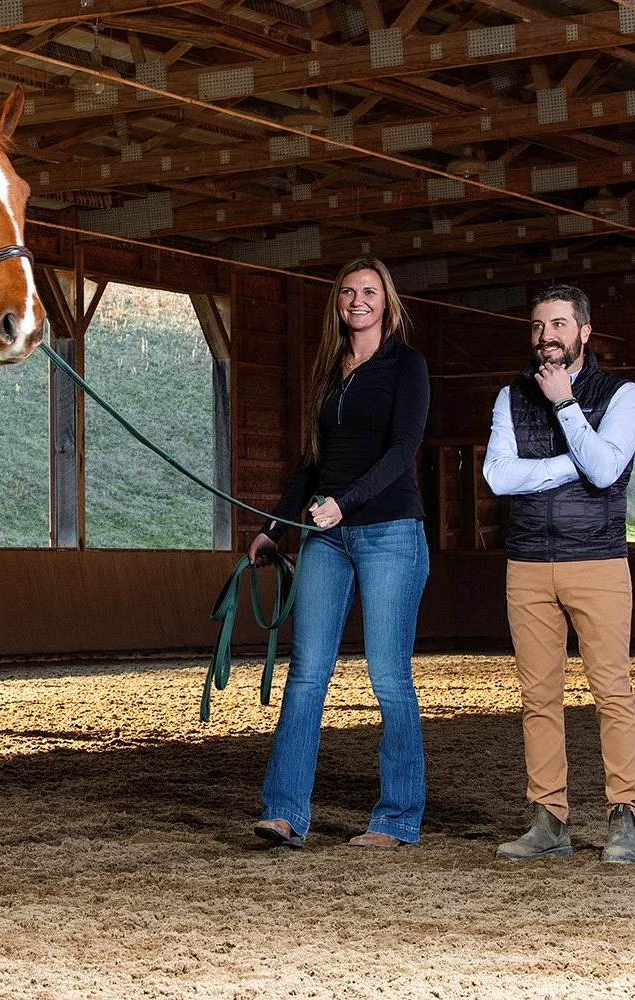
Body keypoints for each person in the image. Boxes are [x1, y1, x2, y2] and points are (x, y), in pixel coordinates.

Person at [248, 257, 430, 850]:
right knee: (307, 675)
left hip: (389, 532)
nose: (358, 300)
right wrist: (276, 528)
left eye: (370, 291)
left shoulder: (407, 366)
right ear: (339, 303)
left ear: (387, 300)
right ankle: (283, 812)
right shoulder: (329, 369)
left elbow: (403, 450)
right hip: (327, 534)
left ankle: (397, 818)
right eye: (349, 292)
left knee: (388, 678)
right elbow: (311, 459)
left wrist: (345, 505)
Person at [483, 284, 635, 864]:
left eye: (557, 325)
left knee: (612, 692)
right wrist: (567, 464)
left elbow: (604, 472)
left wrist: (565, 406)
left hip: (598, 561)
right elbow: (499, 478)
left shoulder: (624, 394)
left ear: (583, 332)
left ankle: (623, 817)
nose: (545, 337)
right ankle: (548, 820)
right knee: (538, 699)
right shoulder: (509, 397)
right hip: (527, 564)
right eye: (536, 327)